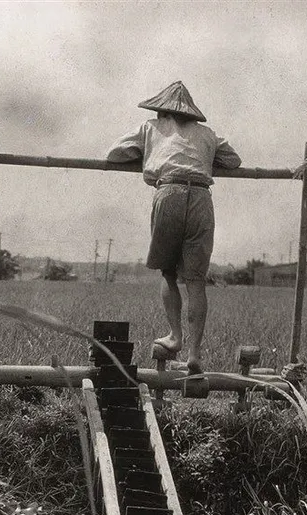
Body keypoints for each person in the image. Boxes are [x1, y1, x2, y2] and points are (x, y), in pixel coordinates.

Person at [106, 81, 241, 374]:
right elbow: (233, 160)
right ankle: (194, 354)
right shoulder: (208, 134)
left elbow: (114, 153)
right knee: (195, 281)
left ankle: (175, 336)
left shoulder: (152, 127)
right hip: (202, 197)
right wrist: (205, 158)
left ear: (162, 111)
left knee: (168, 272)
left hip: (169, 193)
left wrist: (148, 155)